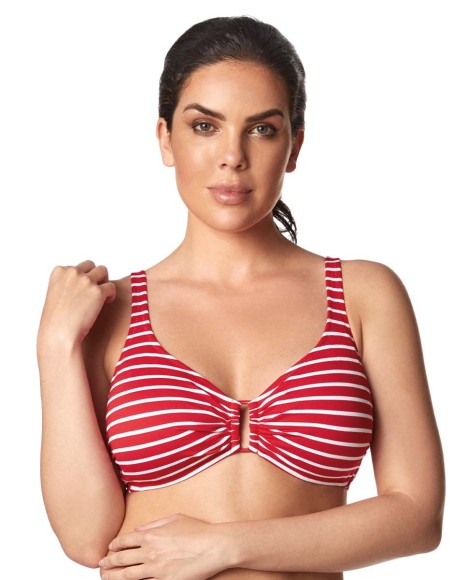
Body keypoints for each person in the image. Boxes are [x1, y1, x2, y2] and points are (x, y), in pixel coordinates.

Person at [37, 15, 445, 580]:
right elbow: (87, 540)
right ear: (165, 139)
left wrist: (224, 546)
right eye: (205, 126)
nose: (232, 155)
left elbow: (417, 517)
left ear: (294, 145)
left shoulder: (365, 295)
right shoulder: (108, 313)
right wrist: (54, 346)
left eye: (262, 129)